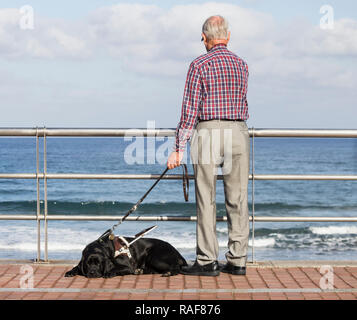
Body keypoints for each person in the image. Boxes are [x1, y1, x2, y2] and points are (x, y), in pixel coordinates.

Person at [167, 15, 250, 276]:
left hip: (208, 132)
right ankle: (237, 260)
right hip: (238, 130)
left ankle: (207, 261)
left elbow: (190, 109)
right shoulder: (242, 65)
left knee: (207, 198)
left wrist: (178, 147)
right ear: (228, 36)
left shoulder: (199, 64)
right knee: (237, 199)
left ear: (205, 37)